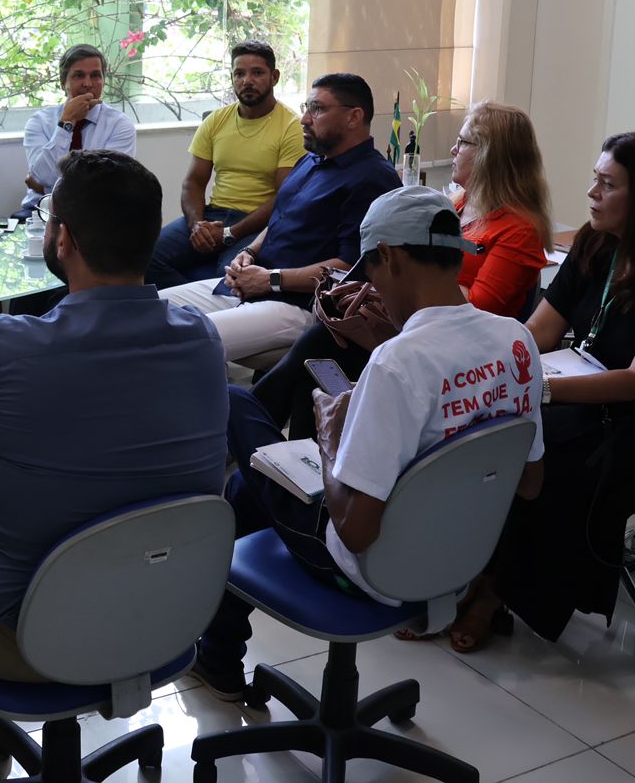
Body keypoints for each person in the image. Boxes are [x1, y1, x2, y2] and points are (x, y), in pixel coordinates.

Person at [0, 150, 228, 681]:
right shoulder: (202, 339)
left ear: (64, 240)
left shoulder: (6, 349)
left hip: (26, 641)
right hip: (160, 619)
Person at [190, 186, 546, 700]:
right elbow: (530, 482)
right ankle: (217, 654)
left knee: (236, 403)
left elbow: (355, 532)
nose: (371, 288)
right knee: (250, 488)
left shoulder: (398, 364)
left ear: (389, 257)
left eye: (372, 274)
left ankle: (217, 655)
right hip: (459, 556)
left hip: (369, 568)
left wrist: (331, 438)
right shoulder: (516, 339)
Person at [451, 131, 635, 652]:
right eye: (595, 179)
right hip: (587, 391)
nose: (591, 193)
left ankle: (496, 590)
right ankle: (470, 571)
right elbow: (538, 332)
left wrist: (541, 391)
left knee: (548, 457)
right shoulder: (595, 243)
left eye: (607, 184)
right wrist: (493, 373)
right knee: (489, 430)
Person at [253, 100, 553, 437]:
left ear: (490, 155)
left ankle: (252, 423)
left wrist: (414, 278)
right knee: (317, 361)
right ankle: (279, 440)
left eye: (463, 142)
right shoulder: (459, 206)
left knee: (320, 351)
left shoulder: (518, 230)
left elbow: (476, 310)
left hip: (450, 350)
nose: (453, 149)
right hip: (409, 326)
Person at [160, 73, 400, 362]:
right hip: (253, 285)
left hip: (298, 304)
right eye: (306, 107)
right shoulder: (310, 161)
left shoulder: (373, 179)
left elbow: (350, 269)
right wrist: (249, 252)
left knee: (181, 342)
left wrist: (271, 280)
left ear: (354, 117)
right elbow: (280, 216)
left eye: (317, 109)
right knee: (149, 311)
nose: (304, 119)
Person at [146, 41, 305, 289]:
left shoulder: (291, 126)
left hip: (257, 223)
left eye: (257, 73)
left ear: (274, 77)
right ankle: (189, 305)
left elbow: (282, 197)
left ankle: (203, 303)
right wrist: (197, 225)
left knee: (230, 277)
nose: (247, 81)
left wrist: (230, 234)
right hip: (214, 215)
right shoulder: (216, 120)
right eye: (239, 74)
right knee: (145, 259)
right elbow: (193, 182)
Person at [16, 44, 137, 217]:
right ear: (63, 82)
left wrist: (45, 188)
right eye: (79, 75)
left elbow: (108, 187)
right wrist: (67, 122)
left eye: (95, 76)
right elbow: (44, 176)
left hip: (96, 214)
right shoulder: (39, 122)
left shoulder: (119, 125)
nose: (88, 84)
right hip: (40, 212)